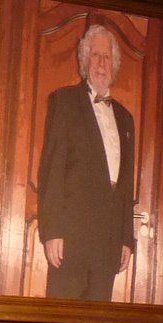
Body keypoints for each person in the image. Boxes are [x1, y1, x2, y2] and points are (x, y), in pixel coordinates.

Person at [35, 22, 137, 301]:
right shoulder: (64, 102)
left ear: (114, 64)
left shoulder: (126, 119)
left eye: (107, 57)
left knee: (98, 320)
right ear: (84, 60)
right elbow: (52, 170)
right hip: (71, 239)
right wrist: (52, 231)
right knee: (61, 319)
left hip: (108, 244)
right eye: (95, 55)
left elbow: (126, 184)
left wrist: (126, 239)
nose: (102, 63)